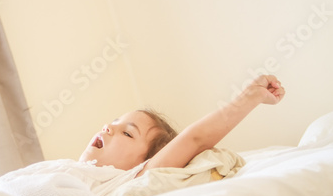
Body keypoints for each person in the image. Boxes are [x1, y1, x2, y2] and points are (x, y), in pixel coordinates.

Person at [79, 74, 285, 177]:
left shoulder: (131, 180)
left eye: (127, 133)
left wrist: (250, 97)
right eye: (115, 121)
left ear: (144, 165)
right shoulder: (66, 172)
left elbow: (194, 139)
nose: (107, 127)